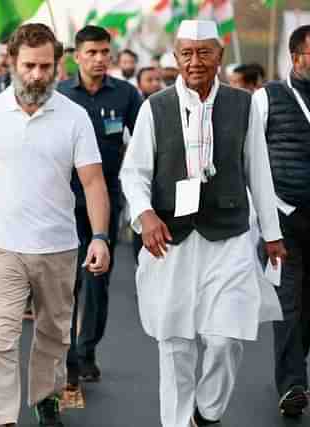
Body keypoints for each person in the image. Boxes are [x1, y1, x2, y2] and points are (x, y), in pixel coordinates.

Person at [120, 20, 286, 427]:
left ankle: (208, 412)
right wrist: (145, 214)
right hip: (171, 240)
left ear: (220, 56)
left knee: (226, 337)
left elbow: (258, 172)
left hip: (228, 236)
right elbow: (133, 173)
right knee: (175, 343)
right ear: (176, 58)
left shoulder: (242, 104)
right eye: (187, 53)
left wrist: (272, 234)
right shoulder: (154, 108)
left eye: (204, 52)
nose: (195, 62)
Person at [0, 23, 111, 427]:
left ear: (57, 65)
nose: (37, 75)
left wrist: (100, 237)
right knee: (0, 339)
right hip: (2, 247)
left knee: (54, 336)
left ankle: (45, 399)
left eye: (45, 66)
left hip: (58, 247)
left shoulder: (74, 117)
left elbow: (93, 182)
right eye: (29, 66)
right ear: (11, 63)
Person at [57, 25, 142, 386]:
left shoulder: (126, 95)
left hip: (104, 199)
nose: (99, 59)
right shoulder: (58, 95)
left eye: (104, 52)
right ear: (76, 56)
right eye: (91, 52)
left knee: (96, 279)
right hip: (60, 200)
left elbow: (143, 147)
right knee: (63, 281)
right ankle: (64, 351)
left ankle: (85, 349)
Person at [253, 24, 310, 417]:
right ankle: (292, 386)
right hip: (283, 221)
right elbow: (250, 159)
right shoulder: (267, 98)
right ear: (296, 57)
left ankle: (295, 370)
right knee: (287, 304)